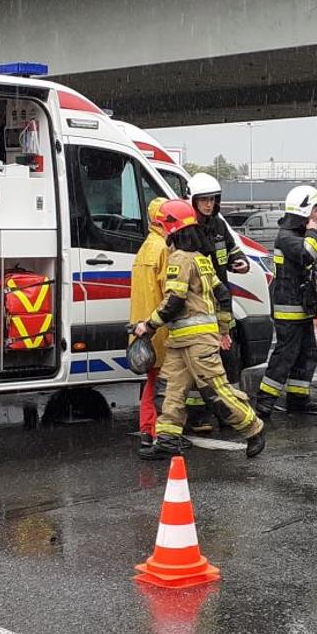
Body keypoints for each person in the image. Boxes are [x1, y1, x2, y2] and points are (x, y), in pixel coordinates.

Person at [133, 199, 266, 459]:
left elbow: (174, 300)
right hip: (182, 341)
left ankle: (254, 428)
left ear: (172, 228)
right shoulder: (202, 259)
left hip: (196, 342)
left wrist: (147, 325)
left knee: (216, 391)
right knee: (170, 390)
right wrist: (223, 329)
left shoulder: (179, 259)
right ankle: (167, 440)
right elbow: (223, 295)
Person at [182, 172, 251, 432]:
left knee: (228, 360)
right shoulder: (187, 228)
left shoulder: (219, 226)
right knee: (199, 362)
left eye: (212, 199)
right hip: (197, 304)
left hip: (221, 302)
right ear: (193, 200)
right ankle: (197, 415)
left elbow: (233, 251)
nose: (209, 204)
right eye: (204, 200)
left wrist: (241, 262)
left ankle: (230, 412)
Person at [254, 185, 317, 421]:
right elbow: (309, 254)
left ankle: (298, 399)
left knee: (307, 354)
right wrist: (313, 231)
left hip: (301, 306)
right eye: (315, 209)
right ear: (304, 210)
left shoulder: (295, 235)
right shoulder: (287, 237)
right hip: (289, 309)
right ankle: (264, 403)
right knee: (285, 356)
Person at [129, 198, 173, 457]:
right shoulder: (163, 249)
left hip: (143, 328)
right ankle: (157, 434)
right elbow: (170, 293)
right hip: (158, 329)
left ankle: (149, 431)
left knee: (152, 382)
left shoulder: (146, 247)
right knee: (161, 385)